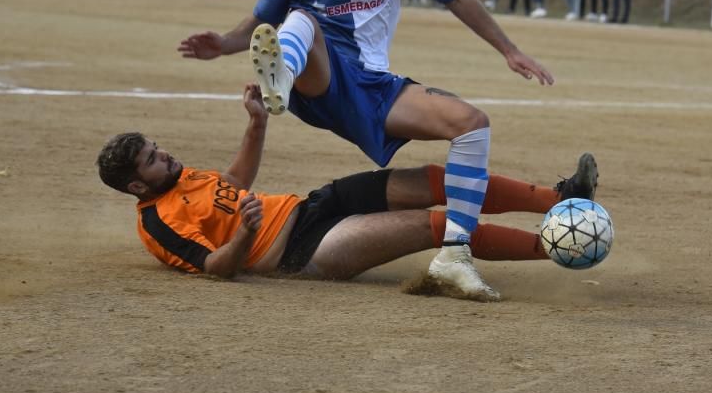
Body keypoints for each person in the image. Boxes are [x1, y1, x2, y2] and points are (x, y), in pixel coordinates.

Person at [177, 0, 553, 302]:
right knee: (300, 20)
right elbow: (261, 20)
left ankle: (454, 257)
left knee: (471, 124)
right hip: (320, 81)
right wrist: (223, 44)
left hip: (376, 86)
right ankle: (282, 77)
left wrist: (508, 50)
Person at [95, 84, 598, 298]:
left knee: (436, 180)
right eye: (153, 159)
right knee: (441, 227)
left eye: (158, 148)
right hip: (300, 251)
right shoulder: (157, 223)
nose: (166, 155)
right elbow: (214, 269)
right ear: (138, 184)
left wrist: (256, 124)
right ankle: (561, 246)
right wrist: (247, 235)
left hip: (313, 204)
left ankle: (562, 199)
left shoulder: (183, 177)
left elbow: (234, 185)